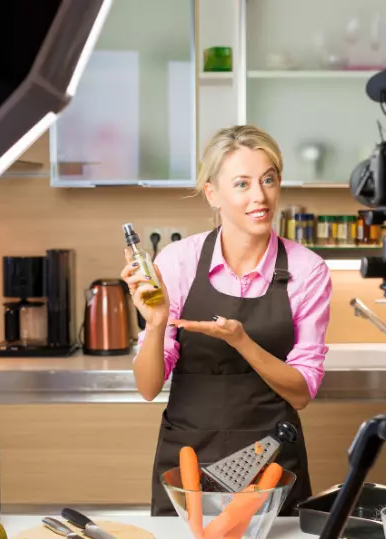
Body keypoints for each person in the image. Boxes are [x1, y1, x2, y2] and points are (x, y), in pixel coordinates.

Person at [121, 125, 333, 517]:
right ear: (213, 194)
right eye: (242, 184)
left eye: (268, 180)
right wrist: (156, 322)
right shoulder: (177, 262)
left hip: (273, 461)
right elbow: (149, 387)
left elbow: (301, 393)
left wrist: (242, 341)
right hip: (187, 459)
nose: (260, 196)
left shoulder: (308, 270)